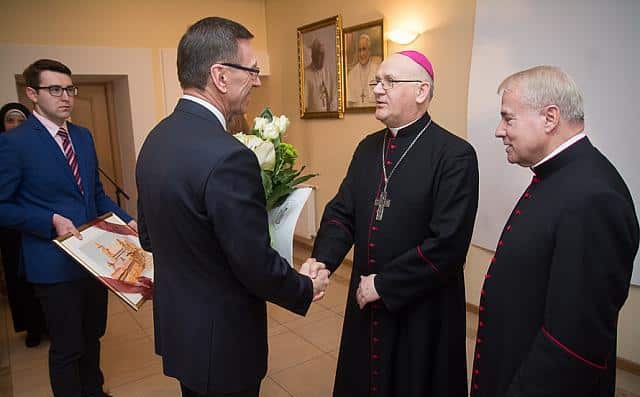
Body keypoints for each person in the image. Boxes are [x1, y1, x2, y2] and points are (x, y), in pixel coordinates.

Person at [135, 17, 330, 397]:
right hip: (221, 338)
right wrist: (305, 287)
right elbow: (253, 264)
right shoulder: (229, 156)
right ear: (220, 76)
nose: (257, 80)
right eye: (252, 70)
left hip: (182, 330)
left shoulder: (156, 139)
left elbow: (148, 235)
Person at [311, 50, 479, 396]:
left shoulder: (455, 155)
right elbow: (342, 212)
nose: (377, 90)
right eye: (377, 81)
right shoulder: (368, 148)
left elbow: (447, 245)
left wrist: (384, 284)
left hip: (421, 309)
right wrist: (323, 261)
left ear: (421, 91)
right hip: (365, 297)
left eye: (389, 82)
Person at [470, 66, 639, 397]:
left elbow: (573, 346)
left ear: (549, 118)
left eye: (508, 118)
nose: (498, 131)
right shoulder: (559, 175)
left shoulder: (595, 197)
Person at [0, 59, 136, 397]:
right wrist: (49, 221)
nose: (66, 97)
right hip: (52, 263)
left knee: (93, 335)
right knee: (67, 346)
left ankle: (94, 390)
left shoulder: (82, 136)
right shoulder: (15, 143)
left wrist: (128, 221)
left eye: (70, 89)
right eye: (55, 89)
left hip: (93, 260)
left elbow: (96, 196)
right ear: (32, 93)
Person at [0, 102, 47, 348]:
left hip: (42, 232)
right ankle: (31, 327)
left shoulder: (37, 147)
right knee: (21, 284)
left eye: (20, 120)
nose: (16, 125)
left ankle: (46, 324)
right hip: (13, 231)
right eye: (10, 120)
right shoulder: (6, 147)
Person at [346, 33, 380, 107]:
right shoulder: (351, 74)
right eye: (359, 50)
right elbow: (350, 104)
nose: (362, 54)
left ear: (370, 51)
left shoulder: (377, 70)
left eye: (364, 49)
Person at [304, 38, 337, 112]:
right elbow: (304, 104)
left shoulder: (328, 72)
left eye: (322, 54)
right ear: (312, 55)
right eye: (318, 54)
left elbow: (334, 97)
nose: (320, 58)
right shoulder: (306, 74)